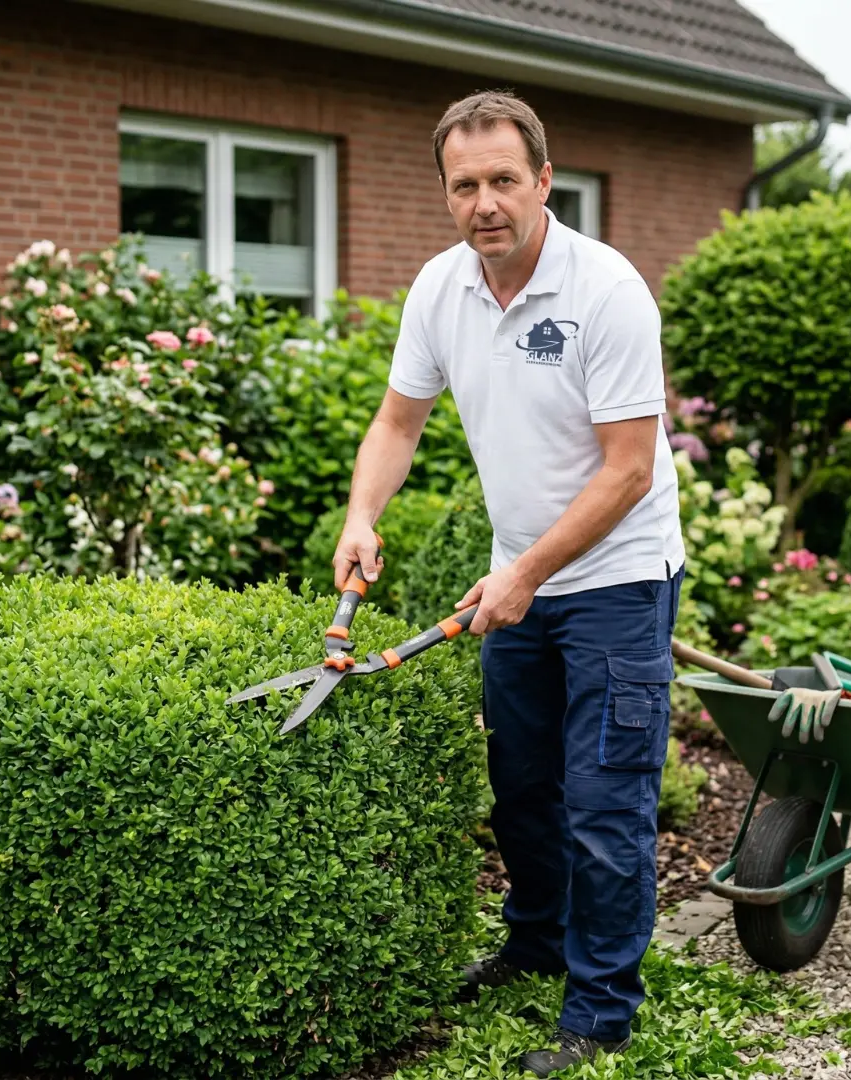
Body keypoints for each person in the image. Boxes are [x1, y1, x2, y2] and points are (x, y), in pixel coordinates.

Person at [330, 90, 685, 1076]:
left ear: (543, 181)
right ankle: (535, 944)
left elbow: (627, 470)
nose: (484, 202)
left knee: (605, 805)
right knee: (523, 786)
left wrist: (525, 572)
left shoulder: (604, 291)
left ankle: (601, 1009)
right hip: (521, 579)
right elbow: (398, 423)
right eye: (463, 185)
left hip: (615, 578)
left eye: (501, 180)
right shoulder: (440, 290)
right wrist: (364, 517)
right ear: (446, 193)